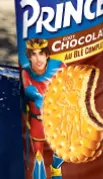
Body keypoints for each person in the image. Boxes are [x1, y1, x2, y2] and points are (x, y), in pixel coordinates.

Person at [21, 39, 65, 179]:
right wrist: (37, 97)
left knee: (62, 152)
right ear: (29, 56)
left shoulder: (59, 66)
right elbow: (28, 88)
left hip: (56, 119)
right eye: (34, 54)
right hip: (37, 120)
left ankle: (56, 169)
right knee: (38, 159)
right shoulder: (26, 71)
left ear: (47, 55)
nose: (38, 58)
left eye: (41, 53)